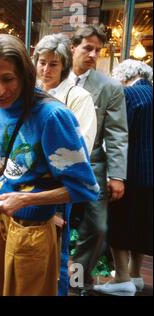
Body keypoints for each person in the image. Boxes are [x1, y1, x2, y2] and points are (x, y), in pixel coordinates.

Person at [0, 34, 99, 296]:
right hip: (4, 220)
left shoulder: (53, 116)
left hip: (38, 229)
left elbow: (85, 189)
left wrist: (25, 200)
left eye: (8, 79)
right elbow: (15, 160)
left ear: (24, 74)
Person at [68, 25, 128, 295]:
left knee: (98, 227)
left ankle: (77, 278)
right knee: (52, 223)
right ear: (73, 47)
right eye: (87, 48)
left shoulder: (110, 87)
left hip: (93, 164)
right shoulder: (53, 78)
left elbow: (117, 133)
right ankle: (55, 274)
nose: (93, 54)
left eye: (97, 49)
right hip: (53, 166)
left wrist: (117, 175)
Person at [93, 60, 152, 296]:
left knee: (119, 225)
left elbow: (117, 134)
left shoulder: (128, 94)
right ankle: (136, 274)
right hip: (150, 175)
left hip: (128, 173)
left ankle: (122, 277)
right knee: (143, 225)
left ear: (124, 76)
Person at [33, 33, 96, 154]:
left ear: (64, 66)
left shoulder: (80, 98)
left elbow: (83, 147)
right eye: (42, 62)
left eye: (53, 64)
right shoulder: (30, 93)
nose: (46, 69)